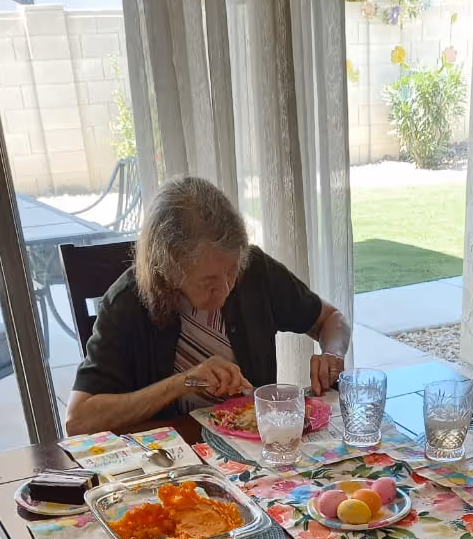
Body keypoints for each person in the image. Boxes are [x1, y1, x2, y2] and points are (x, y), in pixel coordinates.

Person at [66, 176, 351, 435]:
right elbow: (78, 419)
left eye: (231, 270)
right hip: (173, 462)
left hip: (257, 449)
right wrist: (182, 383)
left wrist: (332, 354)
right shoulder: (126, 303)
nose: (226, 289)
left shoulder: (255, 271)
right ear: (169, 269)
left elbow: (331, 319)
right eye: (208, 282)